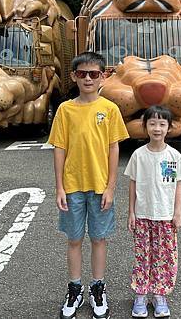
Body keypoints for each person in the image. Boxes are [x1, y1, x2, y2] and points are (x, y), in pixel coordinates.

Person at [49, 51, 129, 319]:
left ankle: (97, 287)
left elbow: (113, 149)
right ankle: (75, 288)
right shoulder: (65, 109)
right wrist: (59, 187)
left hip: (100, 187)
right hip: (72, 186)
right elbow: (59, 149)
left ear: (103, 77)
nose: (87, 78)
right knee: (74, 239)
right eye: (82, 73)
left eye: (94, 74)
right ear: (73, 76)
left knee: (98, 238)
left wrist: (111, 187)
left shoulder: (109, 109)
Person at [124, 105, 181, 318]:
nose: (157, 128)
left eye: (162, 124)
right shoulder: (138, 155)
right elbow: (133, 184)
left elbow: (178, 185)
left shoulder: (174, 156)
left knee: (164, 257)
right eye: (152, 123)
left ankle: (160, 295)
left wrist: (177, 213)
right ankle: (141, 295)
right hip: (142, 215)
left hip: (165, 217)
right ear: (145, 126)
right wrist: (131, 212)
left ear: (169, 128)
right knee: (142, 257)